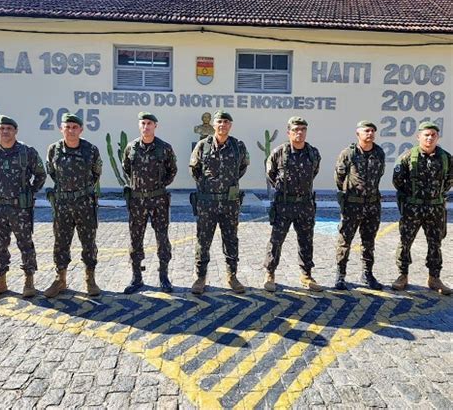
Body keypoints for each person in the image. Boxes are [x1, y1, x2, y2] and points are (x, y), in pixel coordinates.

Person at [0, 115, 46, 299]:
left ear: (15, 131)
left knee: (26, 245)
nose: (5, 131)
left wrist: (30, 192)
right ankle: (0, 282)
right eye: (1, 128)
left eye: (9, 128)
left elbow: (40, 174)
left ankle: (29, 281)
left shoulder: (27, 152)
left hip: (20, 209)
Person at [189, 110, 250, 295]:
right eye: (219, 122)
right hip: (207, 203)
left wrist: (228, 184)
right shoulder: (202, 145)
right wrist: (208, 187)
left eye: (226, 122)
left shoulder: (238, 146)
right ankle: (200, 277)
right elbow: (195, 169)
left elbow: (243, 167)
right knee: (203, 240)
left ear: (230, 125)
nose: (222, 125)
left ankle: (232, 275)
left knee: (231, 239)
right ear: (214, 125)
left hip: (230, 203)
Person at [44, 113, 102, 298]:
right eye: (67, 127)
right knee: (61, 243)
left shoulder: (90, 150)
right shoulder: (53, 150)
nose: (71, 130)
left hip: (84, 203)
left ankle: (90, 279)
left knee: (88, 242)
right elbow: (52, 172)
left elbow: (96, 173)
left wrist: (80, 191)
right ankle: (60, 279)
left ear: (81, 130)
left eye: (74, 127)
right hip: (62, 204)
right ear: (61, 129)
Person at [392, 121, 452, 294]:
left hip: (436, 208)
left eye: (433, 134)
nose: (430, 138)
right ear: (419, 137)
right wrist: (411, 197)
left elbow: (449, 179)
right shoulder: (407, 156)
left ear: (438, 137)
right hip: (413, 209)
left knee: (435, 243)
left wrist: (436, 194)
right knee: (405, 242)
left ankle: (434, 278)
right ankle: (402, 275)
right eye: (426, 134)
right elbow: (398, 181)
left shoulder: (446, 158)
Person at [264, 117, 322, 292]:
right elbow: (271, 175)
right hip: (284, 204)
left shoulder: (313, 153)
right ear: (288, 132)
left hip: (305, 204)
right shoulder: (278, 153)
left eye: (303, 129)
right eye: (296, 129)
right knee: (276, 240)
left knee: (306, 240)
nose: (300, 132)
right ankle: (269, 273)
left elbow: (314, 173)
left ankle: (306, 274)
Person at [122, 112, 177, 293]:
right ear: (140, 125)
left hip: (158, 200)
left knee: (162, 238)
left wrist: (159, 186)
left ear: (155, 126)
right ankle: (136, 277)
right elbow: (127, 169)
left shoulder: (164, 148)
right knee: (135, 238)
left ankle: (164, 276)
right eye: (143, 123)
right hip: (137, 200)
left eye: (149, 124)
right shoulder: (131, 148)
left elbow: (172, 170)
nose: (146, 127)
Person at [334, 120, 385, 290]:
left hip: (372, 205)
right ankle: (340, 275)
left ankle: (367, 274)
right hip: (352, 205)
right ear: (358, 134)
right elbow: (339, 178)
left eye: (372, 131)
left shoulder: (379, 153)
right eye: (366, 131)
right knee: (345, 240)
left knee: (369, 242)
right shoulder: (348, 154)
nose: (369, 134)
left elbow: (380, 174)